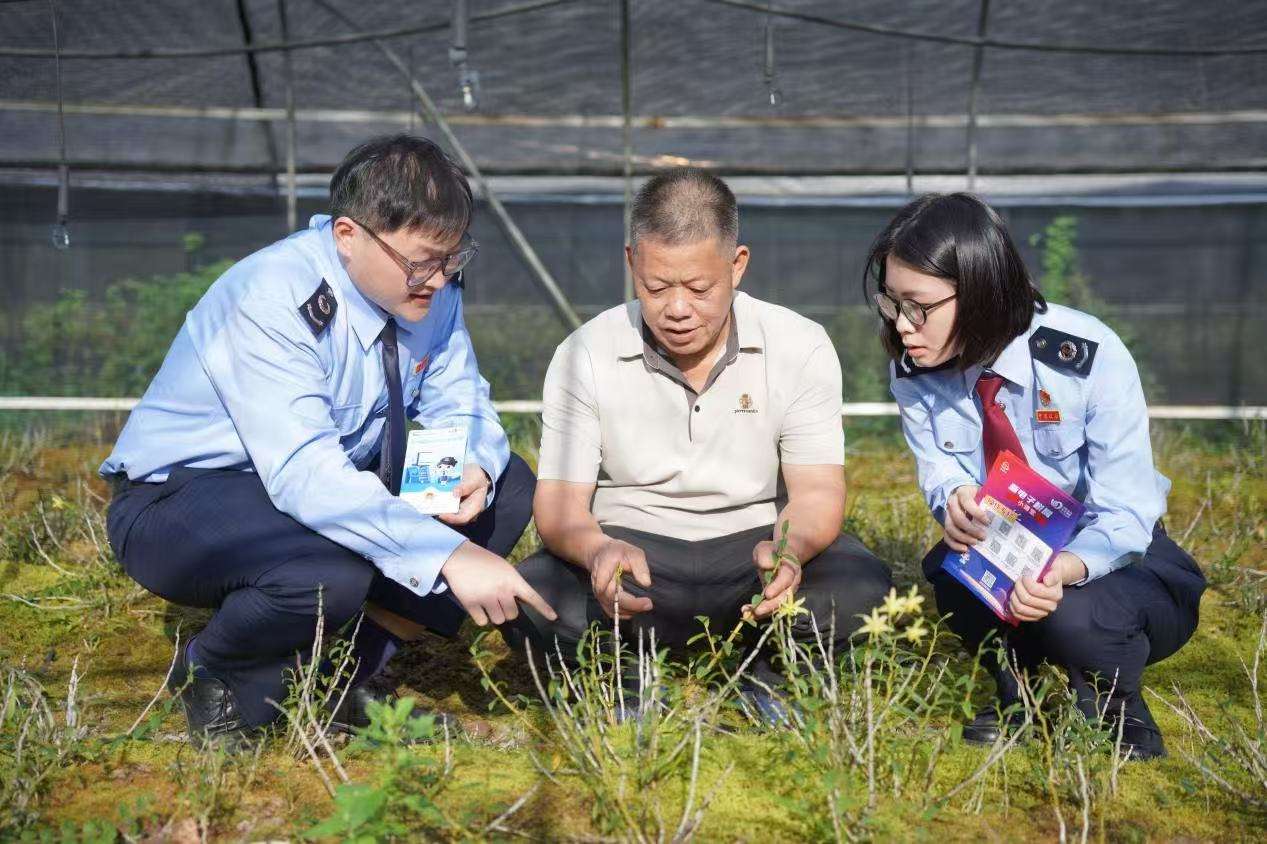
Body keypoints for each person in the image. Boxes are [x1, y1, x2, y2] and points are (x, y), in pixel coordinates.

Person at [101, 134, 557, 747]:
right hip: (181, 501)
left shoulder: (429, 289)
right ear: (348, 234)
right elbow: (305, 475)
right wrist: (447, 555)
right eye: (421, 261)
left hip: (322, 485)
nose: (439, 278)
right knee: (326, 569)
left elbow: (459, 396)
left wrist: (467, 464)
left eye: (453, 259)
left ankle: (352, 679)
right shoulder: (272, 295)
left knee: (507, 487)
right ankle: (217, 675)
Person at [505, 169, 892, 719]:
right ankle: (627, 673)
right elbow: (561, 506)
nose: (678, 309)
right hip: (631, 558)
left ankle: (762, 667)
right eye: (657, 287)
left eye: (699, 288)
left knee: (860, 585)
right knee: (527, 597)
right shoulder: (585, 353)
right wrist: (597, 552)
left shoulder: (798, 344)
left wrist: (789, 552)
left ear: (737, 266)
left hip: (753, 552)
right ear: (632, 262)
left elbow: (817, 492)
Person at [870, 192, 1205, 759]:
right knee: (954, 573)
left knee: (1070, 613)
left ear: (977, 291)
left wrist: (1066, 568)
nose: (903, 325)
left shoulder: (1086, 356)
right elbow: (938, 467)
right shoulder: (916, 369)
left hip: (1120, 557)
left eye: (918, 306)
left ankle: (1118, 713)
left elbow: (1126, 514)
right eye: (892, 303)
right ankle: (1015, 694)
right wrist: (953, 498)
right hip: (1009, 546)